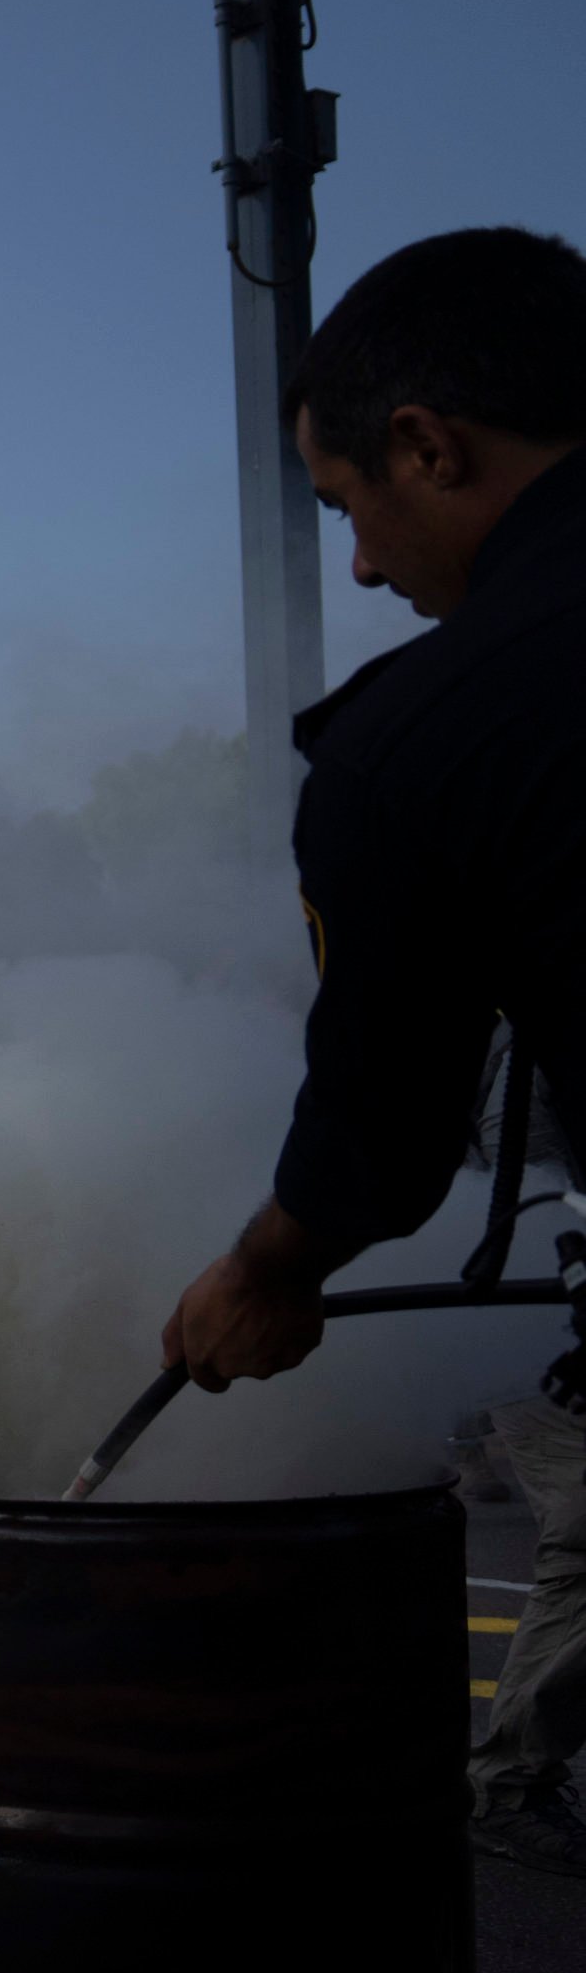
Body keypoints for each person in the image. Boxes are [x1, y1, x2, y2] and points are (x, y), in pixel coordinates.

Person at [157, 227, 586, 1876]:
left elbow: (385, 1124)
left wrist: (270, 1269)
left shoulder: (424, 739)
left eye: (348, 510)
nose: (361, 568)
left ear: (428, 444)